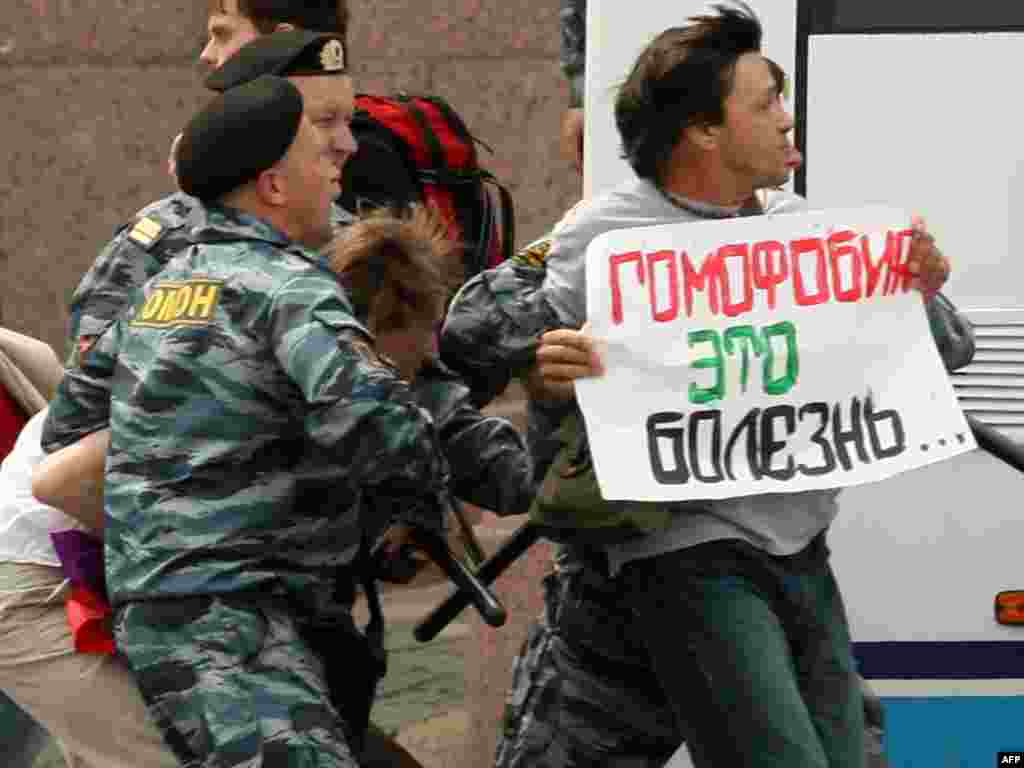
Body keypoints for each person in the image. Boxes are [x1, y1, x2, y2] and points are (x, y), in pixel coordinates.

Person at [441, 4, 972, 767]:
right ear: (702, 131)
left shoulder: (802, 230)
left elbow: (950, 352)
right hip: (686, 552)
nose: (787, 120)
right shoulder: (606, 237)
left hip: (799, 550)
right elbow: (468, 340)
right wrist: (547, 366)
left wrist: (921, 290)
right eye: (766, 103)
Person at [42, 75, 451, 768]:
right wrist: (422, 502)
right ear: (272, 187)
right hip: (241, 613)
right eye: (319, 158)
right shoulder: (288, 288)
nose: (337, 166)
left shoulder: (157, 292)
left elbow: (71, 424)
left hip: (163, 611)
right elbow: (379, 422)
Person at [72, 2, 352, 365]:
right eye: (322, 122)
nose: (348, 143)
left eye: (345, 120)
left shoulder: (360, 245)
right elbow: (88, 391)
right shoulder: (161, 240)